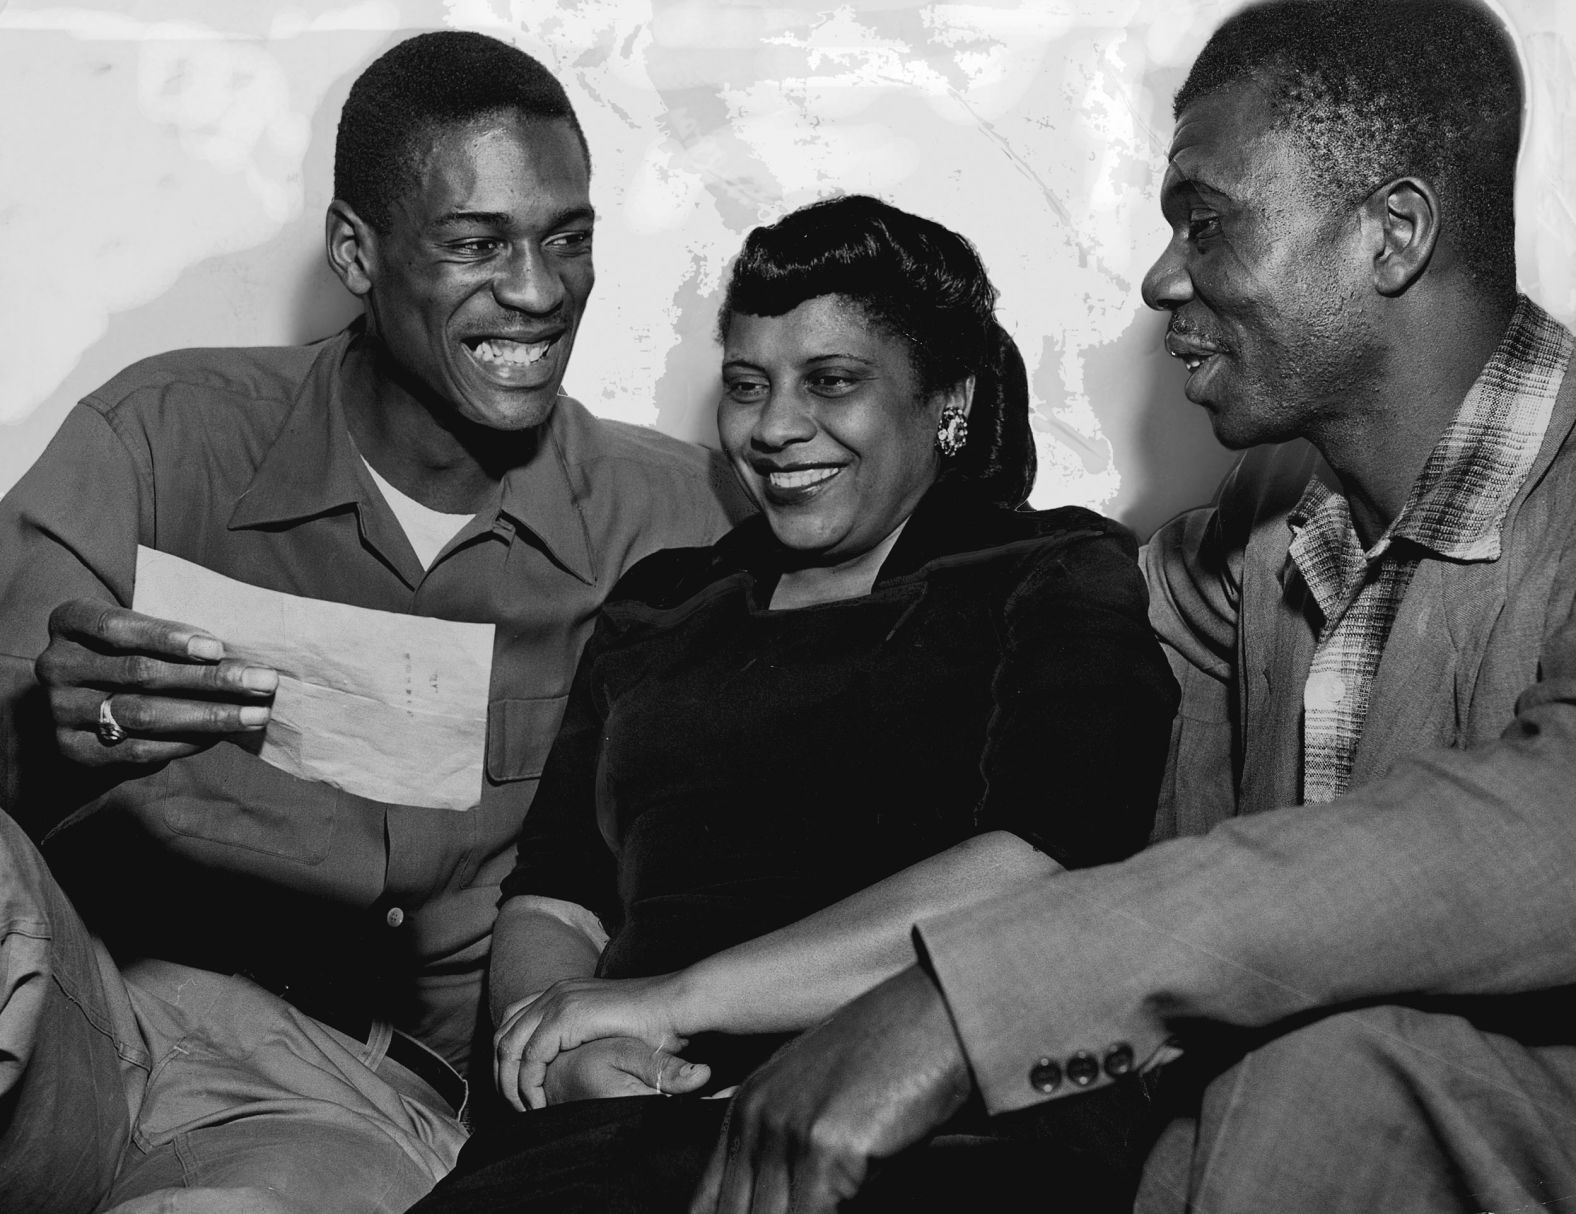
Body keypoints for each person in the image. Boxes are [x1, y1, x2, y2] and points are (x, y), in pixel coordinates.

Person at [687, 3, 1576, 1213]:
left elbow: (1542, 830)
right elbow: (1000, 664)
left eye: (1203, 223)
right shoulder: (1264, 526)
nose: (1162, 277)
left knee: (1324, 1067)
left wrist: (974, 1002)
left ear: (1394, 233)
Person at [0, 30, 741, 1214]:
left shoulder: (682, 519)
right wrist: (45, 727)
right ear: (357, 250)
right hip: (88, 1020)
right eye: (475, 243)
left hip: (347, 1109)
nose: (539, 291)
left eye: (567, 239)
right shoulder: (163, 431)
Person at [404, 193, 1180, 1213]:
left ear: (945, 401)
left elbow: (1048, 862)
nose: (773, 427)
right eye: (745, 384)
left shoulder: (1049, 571)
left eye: (832, 381)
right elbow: (556, 893)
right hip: (614, 1130)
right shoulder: (661, 604)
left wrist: (674, 1002)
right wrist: (563, 1048)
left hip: (926, 1125)